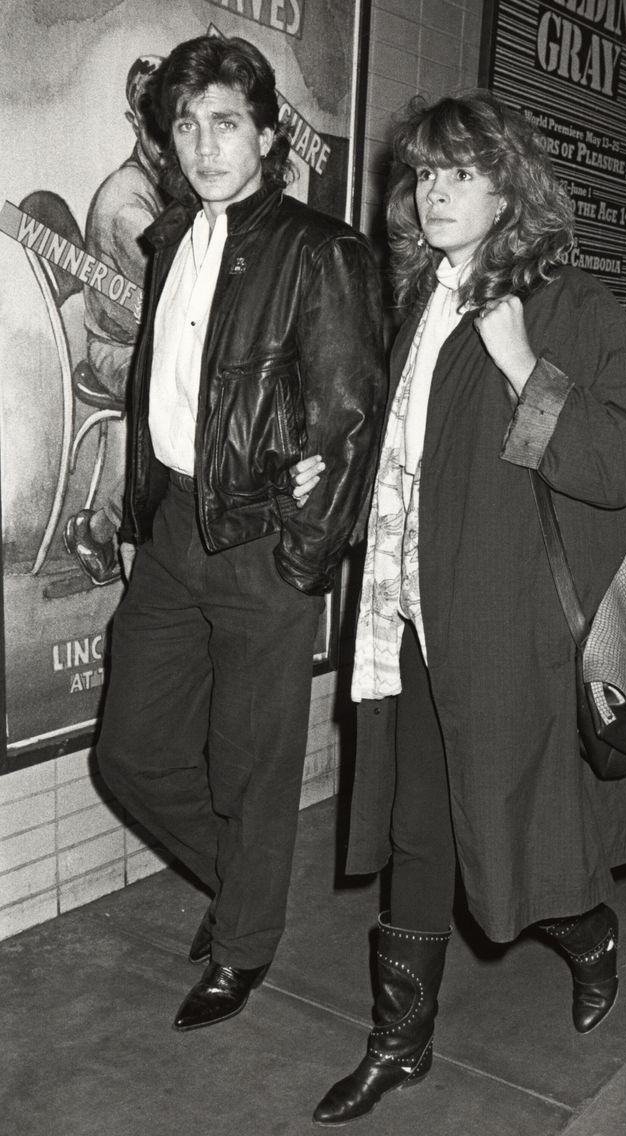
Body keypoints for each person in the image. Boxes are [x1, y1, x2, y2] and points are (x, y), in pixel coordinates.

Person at [291, 90, 626, 1125]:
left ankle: (588, 933)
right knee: (423, 833)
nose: (436, 191)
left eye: (461, 171)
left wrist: (521, 365)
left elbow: (625, 459)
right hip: (412, 625)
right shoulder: (421, 298)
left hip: (511, 636)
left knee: (515, 838)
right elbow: (415, 455)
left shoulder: (573, 309)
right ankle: (398, 1043)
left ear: (512, 187)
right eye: (425, 173)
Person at [95, 35, 385, 1033]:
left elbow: (349, 424)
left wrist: (299, 556)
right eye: (187, 125)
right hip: (180, 521)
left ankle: (245, 946)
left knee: (251, 760)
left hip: (265, 538)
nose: (206, 143)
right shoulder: (174, 235)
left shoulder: (321, 250)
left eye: (226, 122)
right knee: (129, 748)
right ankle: (245, 885)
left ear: (266, 132)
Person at [64, 55, 167, 586]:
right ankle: (104, 530)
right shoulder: (129, 205)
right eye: (157, 122)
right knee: (180, 399)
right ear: (135, 123)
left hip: (138, 342)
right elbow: (175, 304)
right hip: (117, 352)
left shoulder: (155, 185)